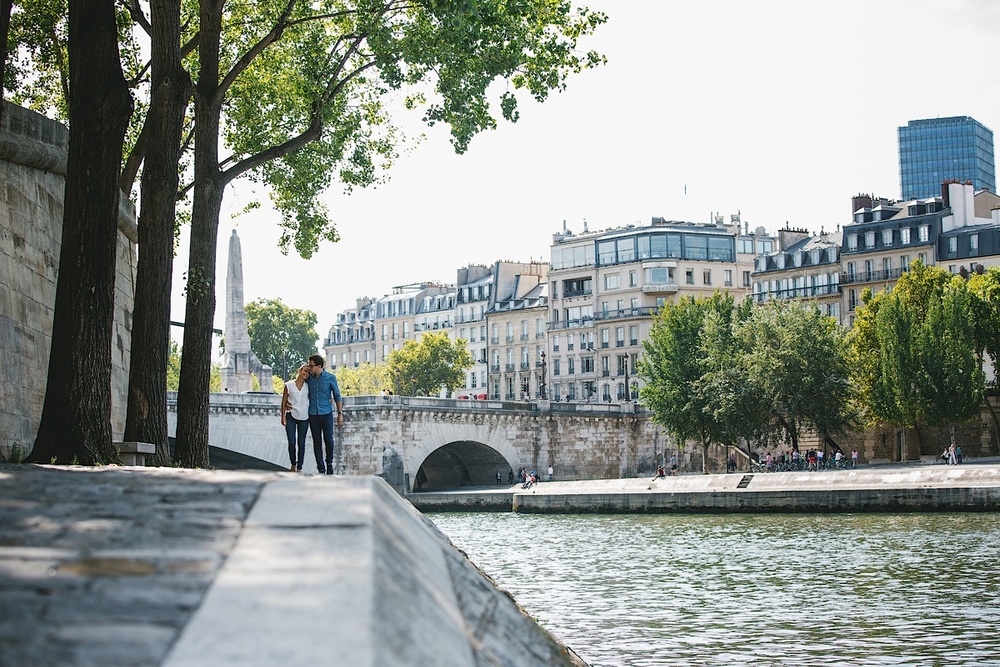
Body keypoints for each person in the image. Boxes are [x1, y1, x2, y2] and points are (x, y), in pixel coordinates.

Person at [306, 354, 343, 475]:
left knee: (329, 440)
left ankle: (329, 463)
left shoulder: (330, 377)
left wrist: (340, 413)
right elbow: (297, 386)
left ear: (319, 366)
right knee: (317, 441)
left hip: (326, 413)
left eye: (311, 366)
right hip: (313, 414)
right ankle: (320, 467)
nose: (310, 368)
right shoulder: (308, 378)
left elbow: (337, 395)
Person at [280, 364, 310, 472]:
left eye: (308, 373)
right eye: (305, 371)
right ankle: (293, 463)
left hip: (304, 417)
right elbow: (283, 402)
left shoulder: (307, 386)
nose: (306, 374)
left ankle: (300, 468)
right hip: (291, 415)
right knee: (292, 442)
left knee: (301, 443)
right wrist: (282, 416)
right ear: (300, 370)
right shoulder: (288, 385)